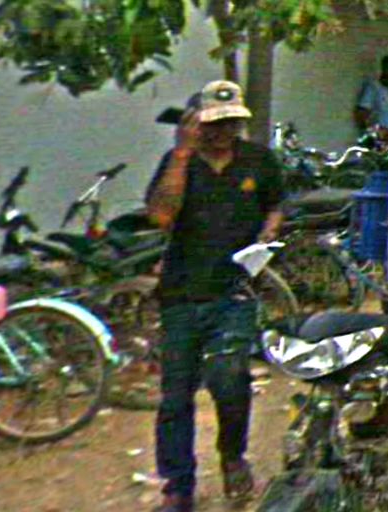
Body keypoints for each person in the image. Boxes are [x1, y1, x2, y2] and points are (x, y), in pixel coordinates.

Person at [145, 80, 284, 512]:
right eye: (214, 123)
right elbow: (161, 216)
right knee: (175, 395)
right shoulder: (179, 163)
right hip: (182, 293)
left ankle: (231, 455)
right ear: (195, 124)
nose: (223, 131)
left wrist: (268, 233)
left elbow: (276, 205)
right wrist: (182, 155)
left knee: (229, 377)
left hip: (235, 290)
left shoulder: (258, 160)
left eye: (231, 122)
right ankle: (177, 485)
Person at [354, 54, 388, 134]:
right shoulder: (373, 87)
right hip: (381, 138)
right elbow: (361, 116)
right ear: (385, 68)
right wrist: (378, 133)